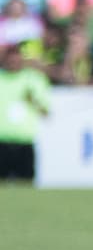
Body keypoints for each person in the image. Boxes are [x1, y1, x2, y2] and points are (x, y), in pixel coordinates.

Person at [0, 44, 49, 181]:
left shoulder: (34, 80)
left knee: (26, 186)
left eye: (16, 59)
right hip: (1, 143)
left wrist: (33, 100)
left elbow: (46, 113)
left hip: (25, 144)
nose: (13, 63)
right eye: (10, 60)